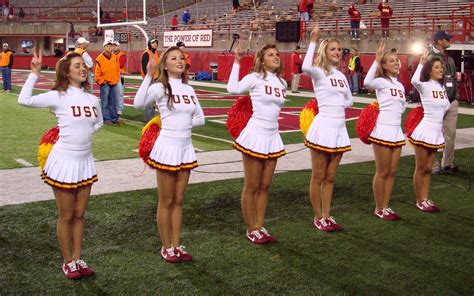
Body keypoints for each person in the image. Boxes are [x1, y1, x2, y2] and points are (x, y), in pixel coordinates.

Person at [18, 50, 103, 279]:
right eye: (76, 66)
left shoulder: (93, 99)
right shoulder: (59, 95)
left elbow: (99, 123)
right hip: (64, 161)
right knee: (66, 215)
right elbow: (24, 100)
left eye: (83, 66)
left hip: (85, 160)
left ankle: (78, 257)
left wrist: (82, 135)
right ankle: (68, 261)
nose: (82, 69)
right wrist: (34, 73)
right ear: (66, 71)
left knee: (79, 214)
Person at [133, 46, 205, 262]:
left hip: (185, 148)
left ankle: (176, 243)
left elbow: (201, 119)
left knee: (179, 200)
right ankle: (166, 246)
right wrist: (148, 75)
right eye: (173, 58)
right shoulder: (159, 87)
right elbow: (137, 104)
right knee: (166, 200)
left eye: (181, 58)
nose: (179, 61)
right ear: (164, 64)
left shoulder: (189, 89)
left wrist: (183, 126)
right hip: (166, 148)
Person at [227, 42, 287, 244]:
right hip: (255, 135)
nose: (275, 57)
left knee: (265, 186)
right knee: (252, 185)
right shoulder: (254, 78)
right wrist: (237, 61)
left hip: (272, 136)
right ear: (261, 59)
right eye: (270, 54)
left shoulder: (282, 82)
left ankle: (260, 226)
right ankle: (251, 228)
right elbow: (232, 89)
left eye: (277, 54)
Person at [302, 23, 353, 232]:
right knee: (319, 176)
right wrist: (313, 40)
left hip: (339, 130)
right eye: (332, 49)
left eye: (339, 49)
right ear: (325, 51)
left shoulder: (341, 76)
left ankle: (327, 214)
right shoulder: (318, 72)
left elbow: (349, 100)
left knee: (331, 177)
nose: (337, 52)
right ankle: (317, 216)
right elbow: (304, 67)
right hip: (322, 129)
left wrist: (336, 106)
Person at [363, 42, 405, 220]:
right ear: (384, 65)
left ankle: (386, 206)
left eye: (397, 60)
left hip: (396, 131)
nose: (396, 63)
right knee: (382, 171)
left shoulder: (401, 86)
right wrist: (376, 60)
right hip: (383, 130)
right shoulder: (381, 81)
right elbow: (366, 82)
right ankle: (379, 207)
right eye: (391, 61)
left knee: (392, 172)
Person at [409, 50, 450, 212]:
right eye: (437, 67)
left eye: (442, 67)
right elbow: (414, 80)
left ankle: (426, 198)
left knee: (428, 169)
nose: (441, 70)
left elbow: (445, 108)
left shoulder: (441, 87)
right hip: (425, 131)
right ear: (430, 70)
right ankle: (419, 200)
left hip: (436, 133)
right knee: (421, 168)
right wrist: (421, 63)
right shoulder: (424, 86)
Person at [429, 31, 459, 174]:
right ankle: (433, 165)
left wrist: (456, 96)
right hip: (436, 100)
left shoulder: (450, 59)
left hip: (451, 99)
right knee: (434, 133)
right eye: (447, 39)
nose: (449, 41)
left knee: (450, 133)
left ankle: (447, 163)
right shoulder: (430, 58)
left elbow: (453, 78)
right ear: (440, 41)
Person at [95, 39, 120, 124]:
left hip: (113, 82)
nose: (109, 47)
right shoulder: (99, 58)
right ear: (104, 47)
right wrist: (102, 81)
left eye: (110, 46)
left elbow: (117, 69)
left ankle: (114, 118)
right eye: (107, 46)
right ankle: (106, 119)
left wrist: (116, 79)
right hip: (105, 83)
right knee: (105, 102)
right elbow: (97, 74)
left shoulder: (114, 57)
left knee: (114, 101)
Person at [141, 38, 159, 122]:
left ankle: (151, 118)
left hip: (155, 79)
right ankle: (149, 119)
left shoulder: (156, 54)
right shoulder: (146, 53)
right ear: (149, 44)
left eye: (156, 43)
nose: (155, 44)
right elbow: (145, 67)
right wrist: (148, 78)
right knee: (149, 101)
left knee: (153, 101)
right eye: (153, 43)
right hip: (149, 80)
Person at [113, 41, 126, 116]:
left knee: (120, 94)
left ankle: (119, 109)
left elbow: (120, 65)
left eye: (116, 46)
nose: (114, 47)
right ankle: (114, 108)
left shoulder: (122, 55)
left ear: (119, 47)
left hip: (119, 75)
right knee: (113, 94)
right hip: (113, 75)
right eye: (113, 46)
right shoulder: (111, 55)